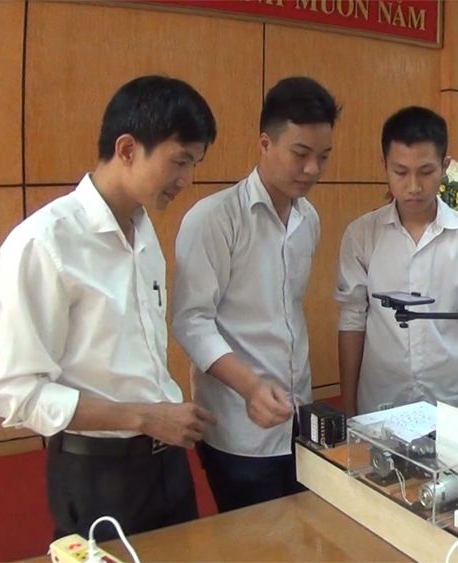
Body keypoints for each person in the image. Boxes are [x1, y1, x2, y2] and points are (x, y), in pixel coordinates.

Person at [0, 75, 218, 539]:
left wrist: (160, 419)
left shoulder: (143, 230)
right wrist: (143, 416)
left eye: (194, 164)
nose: (186, 180)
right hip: (98, 474)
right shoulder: (44, 243)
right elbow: (16, 394)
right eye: (179, 161)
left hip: (167, 460)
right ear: (127, 149)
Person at [171, 76, 339, 512]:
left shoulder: (309, 219)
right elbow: (191, 320)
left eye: (323, 157)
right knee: (251, 539)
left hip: (297, 415)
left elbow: (288, 312)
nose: (312, 169)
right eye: (300, 154)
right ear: (265, 143)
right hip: (237, 425)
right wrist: (250, 386)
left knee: (306, 532)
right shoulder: (213, 219)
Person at [336, 106, 458, 416]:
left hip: (449, 400)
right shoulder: (362, 234)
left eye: (425, 172)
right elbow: (352, 319)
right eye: (400, 172)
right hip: (379, 400)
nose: (413, 186)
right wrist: (348, 407)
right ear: (384, 165)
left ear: (445, 166)